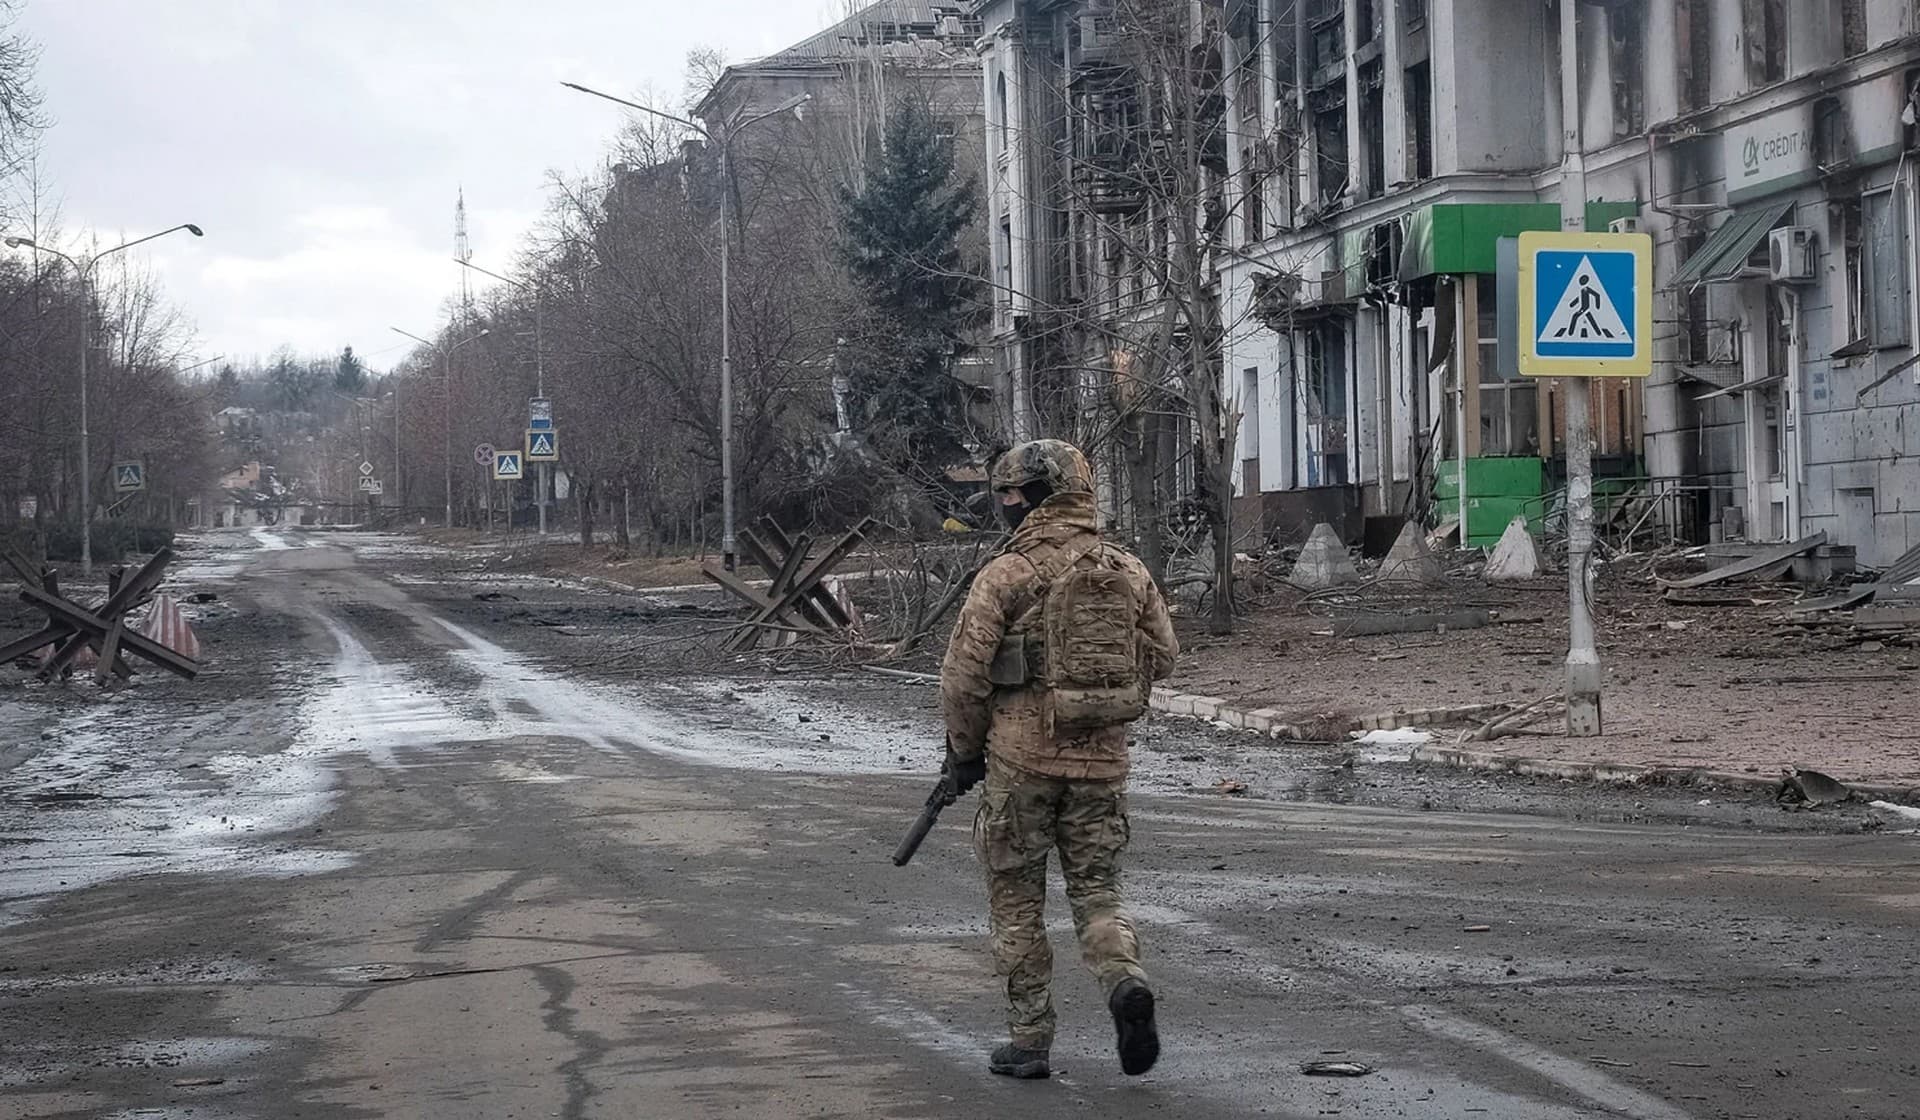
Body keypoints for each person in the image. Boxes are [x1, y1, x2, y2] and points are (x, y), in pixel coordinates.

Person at [939, 438, 1179, 1080]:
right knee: (1099, 892)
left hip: (1020, 765)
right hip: (1102, 763)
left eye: (1009, 493)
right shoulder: (1127, 568)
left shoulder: (1007, 573)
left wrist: (964, 752)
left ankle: (1029, 1040)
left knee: (1016, 900)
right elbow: (1163, 655)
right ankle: (1124, 981)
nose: (1004, 504)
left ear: (1033, 496)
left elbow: (963, 677)